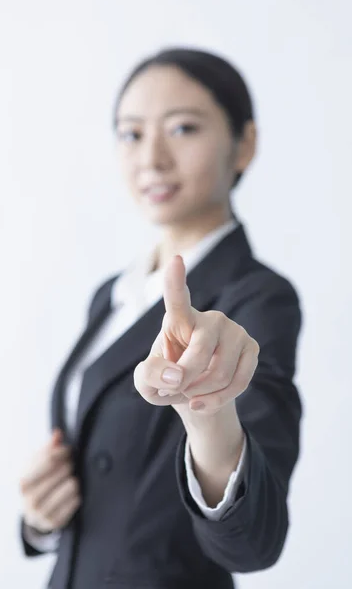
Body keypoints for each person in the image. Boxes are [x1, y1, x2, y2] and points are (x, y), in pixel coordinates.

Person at [19, 47, 302, 589]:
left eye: (182, 129)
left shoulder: (259, 298)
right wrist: (41, 522)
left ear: (245, 144)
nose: (151, 158)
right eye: (131, 134)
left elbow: (253, 539)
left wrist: (210, 412)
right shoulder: (113, 294)